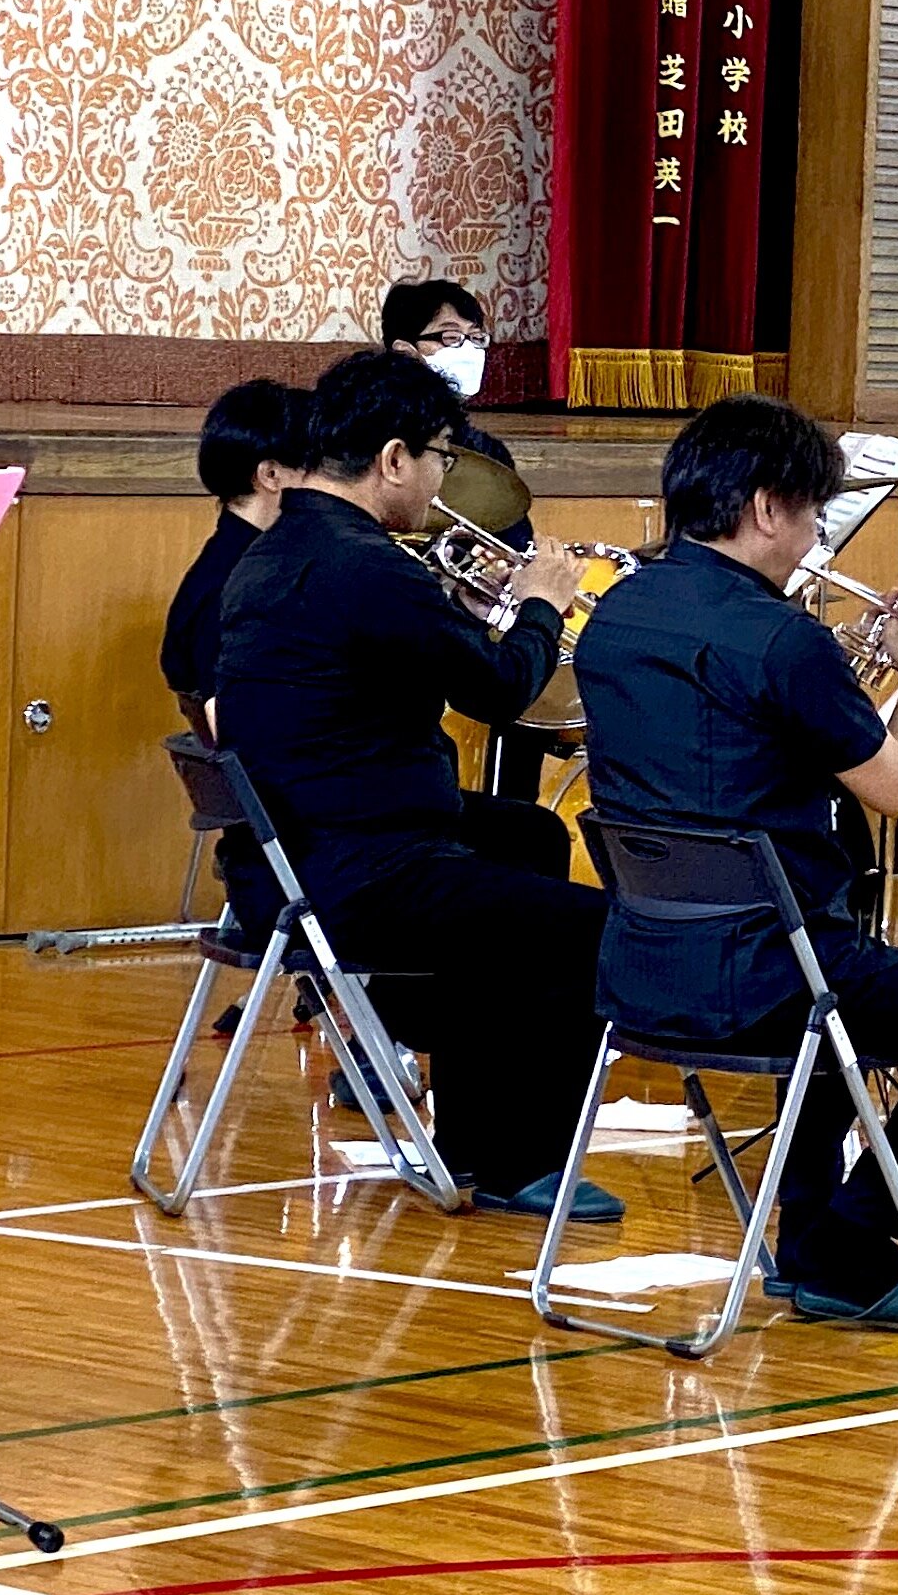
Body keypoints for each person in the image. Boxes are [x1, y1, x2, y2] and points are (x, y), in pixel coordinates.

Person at [573, 395, 898, 1328]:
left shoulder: (618, 611)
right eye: (808, 516)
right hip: (765, 976)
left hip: (642, 969)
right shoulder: (781, 639)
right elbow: (897, 786)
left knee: (841, 973)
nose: (809, 542)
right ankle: (847, 1237)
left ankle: (805, 1239)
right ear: (764, 507)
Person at [210, 350, 618, 1215]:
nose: (441, 480)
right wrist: (542, 599)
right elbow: (504, 690)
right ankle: (520, 1159)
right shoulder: (368, 566)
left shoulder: (283, 549)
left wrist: (465, 618)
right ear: (394, 459)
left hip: (291, 849)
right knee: (595, 929)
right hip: (359, 869)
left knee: (529, 836)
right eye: (438, 457)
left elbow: (395, 660)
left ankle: (478, 1126)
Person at [380, 278, 556, 802]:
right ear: (405, 352)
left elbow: (514, 548)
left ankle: (507, 811)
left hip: (471, 618)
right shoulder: (368, 449)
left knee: (532, 676)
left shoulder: (485, 450)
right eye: (448, 338)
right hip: (410, 640)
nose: (468, 352)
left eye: (476, 339)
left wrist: (499, 584)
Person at [158, 378, 308, 725]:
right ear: (271, 474)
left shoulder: (243, 560)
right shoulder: (238, 585)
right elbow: (234, 726)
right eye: (317, 468)